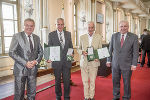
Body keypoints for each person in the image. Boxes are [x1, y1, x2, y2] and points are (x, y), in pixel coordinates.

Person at [9, 18, 43, 100]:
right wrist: (25, 63)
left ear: (34, 27)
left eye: (31, 26)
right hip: (20, 69)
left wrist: (36, 61)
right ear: (24, 26)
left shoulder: (37, 38)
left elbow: (41, 52)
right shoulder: (17, 36)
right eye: (27, 25)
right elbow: (11, 52)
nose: (29, 27)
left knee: (32, 93)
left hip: (33, 69)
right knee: (19, 94)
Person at [106, 20, 139, 100]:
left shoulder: (134, 37)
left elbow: (135, 52)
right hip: (115, 64)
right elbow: (110, 50)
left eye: (125, 26)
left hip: (127, 65)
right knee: (115, 81)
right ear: (119, 27)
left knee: (126, 82)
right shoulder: (114, 36)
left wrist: (134, 64)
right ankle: (116, 96)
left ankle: (126, 97)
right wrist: (108, 60)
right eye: (121, 26)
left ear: (128, 27)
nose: (123, 28)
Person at [48, 18, 73, 100]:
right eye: (58, 24)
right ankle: (58, 96)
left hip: (67, 62)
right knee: (57, 81)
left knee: (67, 81)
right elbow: (49, 48)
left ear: (64, 25)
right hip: (56, 62)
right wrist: (48, 57)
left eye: (62, 24)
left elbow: (70, 47)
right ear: (56, 25)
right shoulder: (51, 35)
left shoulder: (68, 34)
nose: (60, 26)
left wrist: (71, 53)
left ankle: (67, 96)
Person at [78, 21, 102, 100]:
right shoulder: (82, 37)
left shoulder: (98, 37)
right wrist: (82, 52)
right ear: (87, 28)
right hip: (84, 62)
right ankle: (86, 96)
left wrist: (97, 56)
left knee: (92, 81)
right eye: (89, 27)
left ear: (94, 28)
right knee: (85, 81)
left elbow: (100, 49)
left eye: (92, 27)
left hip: (94, 62)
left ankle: (91, 97)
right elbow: (78, 49)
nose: (90, 29)